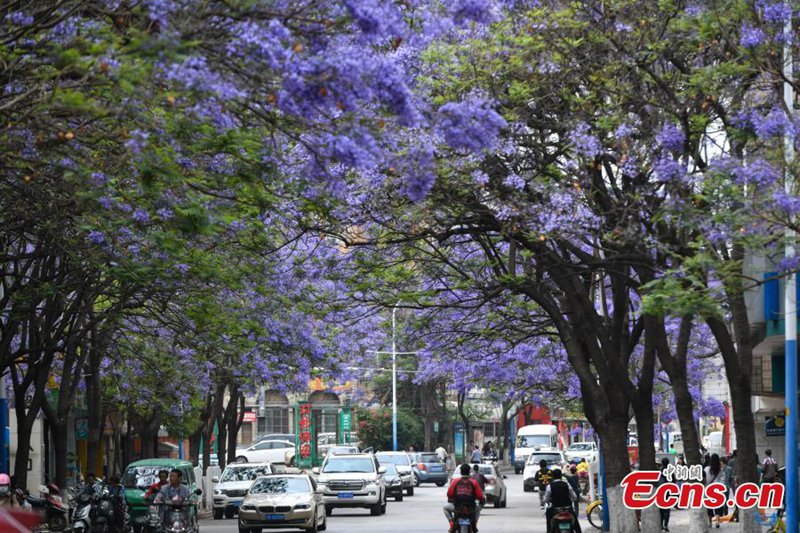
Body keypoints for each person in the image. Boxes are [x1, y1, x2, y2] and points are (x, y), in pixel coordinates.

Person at [444, 464, 485, 533]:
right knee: (479, 508)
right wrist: (481, 501)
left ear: (460, 472)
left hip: (457, 508)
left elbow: (449, 494)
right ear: (469, 472)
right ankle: (474, 523)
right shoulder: (474, 482)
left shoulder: (455, 481)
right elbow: (480, 496)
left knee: (445, 507)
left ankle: (451, 523)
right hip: (471, 509)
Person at [705, 454, 724, 528]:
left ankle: (710, 522)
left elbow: (705, 480)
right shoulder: (721, 469)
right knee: (718, 506)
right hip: (718, 489)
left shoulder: (707, 469)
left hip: (709, 489)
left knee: (709, 506)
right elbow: (723, 480)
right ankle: (717, 522)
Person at [658, 458, 671, 532]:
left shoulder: (659, 471)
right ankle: (665, 525)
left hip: (660, 491)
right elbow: (673, 481)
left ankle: (660, 525)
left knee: (660, 509)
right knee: (667, 509)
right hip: (667, 491)